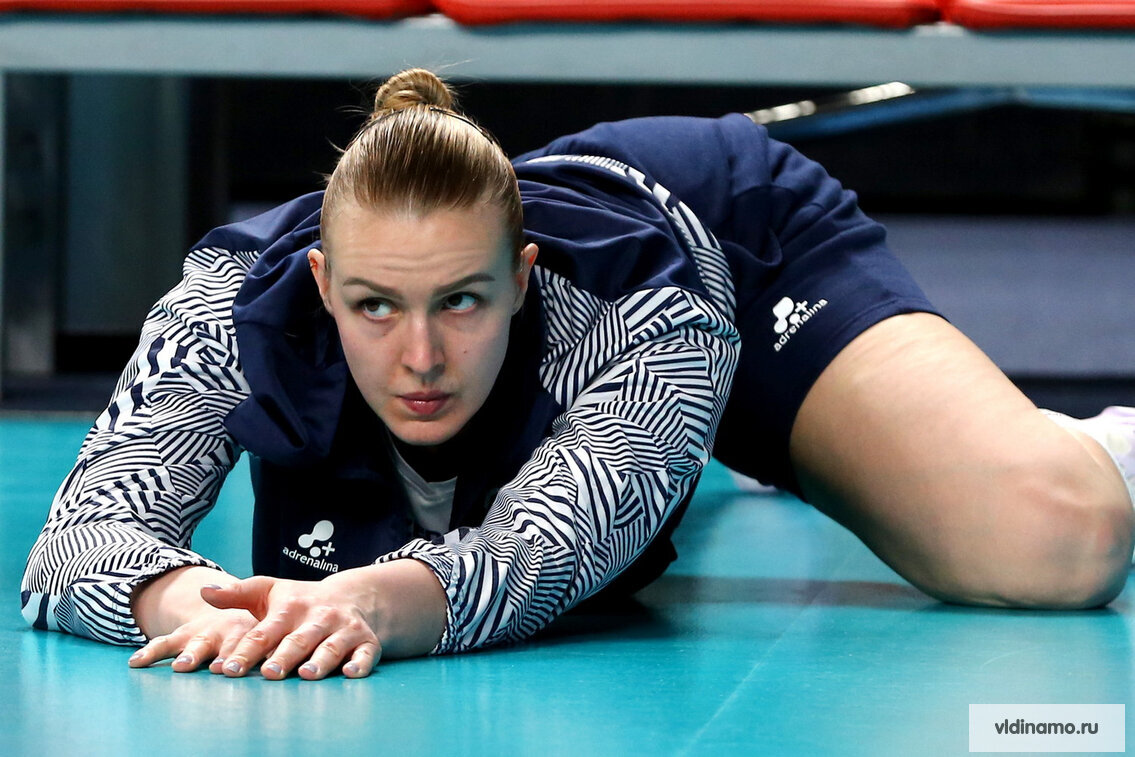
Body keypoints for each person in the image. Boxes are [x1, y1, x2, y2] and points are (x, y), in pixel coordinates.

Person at [21, 69, 1135, 681]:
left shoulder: (640, 315)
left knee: (1051, 539)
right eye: (375, 306)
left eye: (461, 300)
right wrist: (196, 606)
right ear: (320, 282)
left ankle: (938, 437)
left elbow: (546, 548)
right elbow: (77, 538)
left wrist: (372, 602)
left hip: (738, 263)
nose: (420, 356)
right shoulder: (226, 304)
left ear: (521, 277)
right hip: (582, 381)